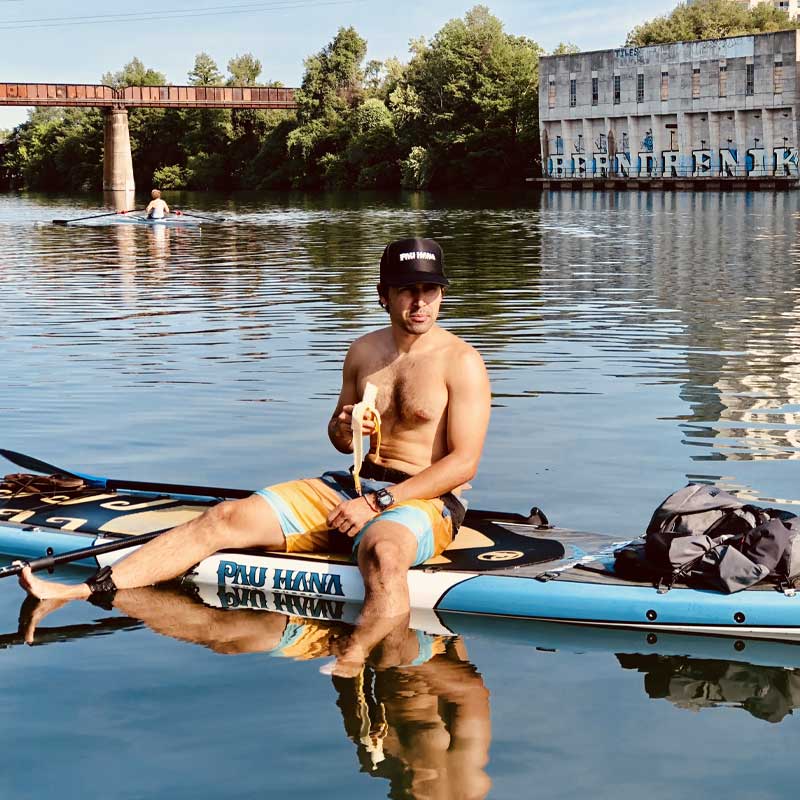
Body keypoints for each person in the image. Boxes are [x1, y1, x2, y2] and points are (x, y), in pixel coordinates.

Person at [18, 237, 492, 672]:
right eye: (408, 289)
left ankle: (356, 653)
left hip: (424, 498)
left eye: (430, 289)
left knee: (384, 553)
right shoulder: (363, 352)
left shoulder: (461, 361)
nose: (420, 301)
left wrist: (380, 504)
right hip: (350, 486)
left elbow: (463, 463)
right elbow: (338, 437)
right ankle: (79, 590)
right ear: (383, 294)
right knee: (223, 519)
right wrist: (346, 427)